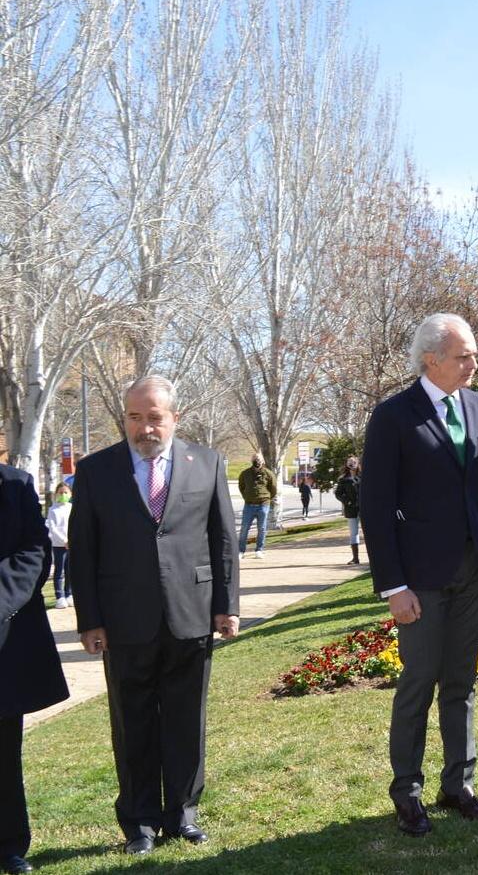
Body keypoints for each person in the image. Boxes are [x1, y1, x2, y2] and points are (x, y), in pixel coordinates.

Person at [361, 313, 478, 837]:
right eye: (464, 355)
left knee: (461, 682)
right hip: (420, 578)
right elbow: (376, 507)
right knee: (418, 682)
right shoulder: (393, 416)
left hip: (473, 570)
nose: (474, 363)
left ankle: (459, 785)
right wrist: (394, 585)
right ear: (431, 359)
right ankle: (407, 791)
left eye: (473, 354)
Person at [69, 375, 239, 854]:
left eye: (154, 418)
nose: (145, 428)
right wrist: (90, 620)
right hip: (124, 622)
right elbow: (83, 552)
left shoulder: (206, 463)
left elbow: (223, 543)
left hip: (192, 615)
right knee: (134, 722)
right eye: (134, 418)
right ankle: (139, 823)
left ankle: (183, 814)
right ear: (125, 419)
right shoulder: (96, 471)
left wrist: (227, 606)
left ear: (174, 418)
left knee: (187, 720)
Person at [1, 464, 70, 875]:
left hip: (5, 640)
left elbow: (34, 551)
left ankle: (7, 844)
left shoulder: (16, 484)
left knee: (4, 754)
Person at [237, 452, 275, 560]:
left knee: (262, 528)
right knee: (244, 528)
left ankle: (259, 550)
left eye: (258, 458)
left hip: (263, 505)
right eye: (254, 458)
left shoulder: (268, 474)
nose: (256, 460)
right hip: (249, 505)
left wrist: (266, 498)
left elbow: (273, 489)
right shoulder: (245, 474)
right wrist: (247, 497)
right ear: (251, 460)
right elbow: (241, 486)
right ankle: (241, 551)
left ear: (262, 461)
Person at [44, 482, 72, 608]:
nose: (63, 494)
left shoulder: (72, 508)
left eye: (66, 492)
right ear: (56, 494)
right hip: (59, 545)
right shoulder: (52, 509)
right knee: (59, 571)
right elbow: (53, 528)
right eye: (61, 492)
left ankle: (69, 594)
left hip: (72, 544)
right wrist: (64, 540)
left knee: (70, 570)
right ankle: (59, 596)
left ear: (70, 494)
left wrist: (72, 540)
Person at [334, 457, 362, 565]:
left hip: (364, 509)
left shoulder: (363, 476)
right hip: (351, 509)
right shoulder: (343, 479)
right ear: (346, 464)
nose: (352, 464)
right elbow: (338, 494)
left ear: (358, 463)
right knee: (354, 533)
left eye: (354, 462)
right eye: (350, 462)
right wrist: (347, 502)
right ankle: (355, 558)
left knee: (369, 532)